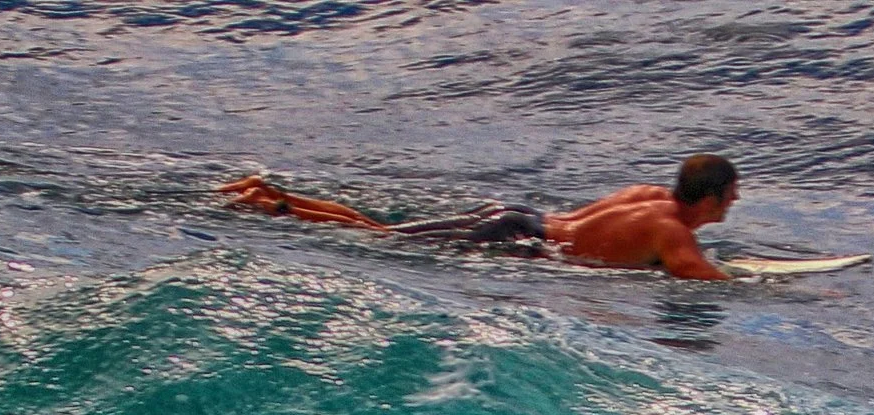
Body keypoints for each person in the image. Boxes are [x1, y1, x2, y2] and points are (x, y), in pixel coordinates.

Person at [215, 154, 743, 281]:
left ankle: (273, 195)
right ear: (710, 200)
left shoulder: (649, 195)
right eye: (731, 196)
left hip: (521, 219)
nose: (734, 204)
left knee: (383, 231)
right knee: (380, 238)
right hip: (518, 240)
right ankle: (272, 205)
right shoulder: (673, 231)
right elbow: (700, 277)